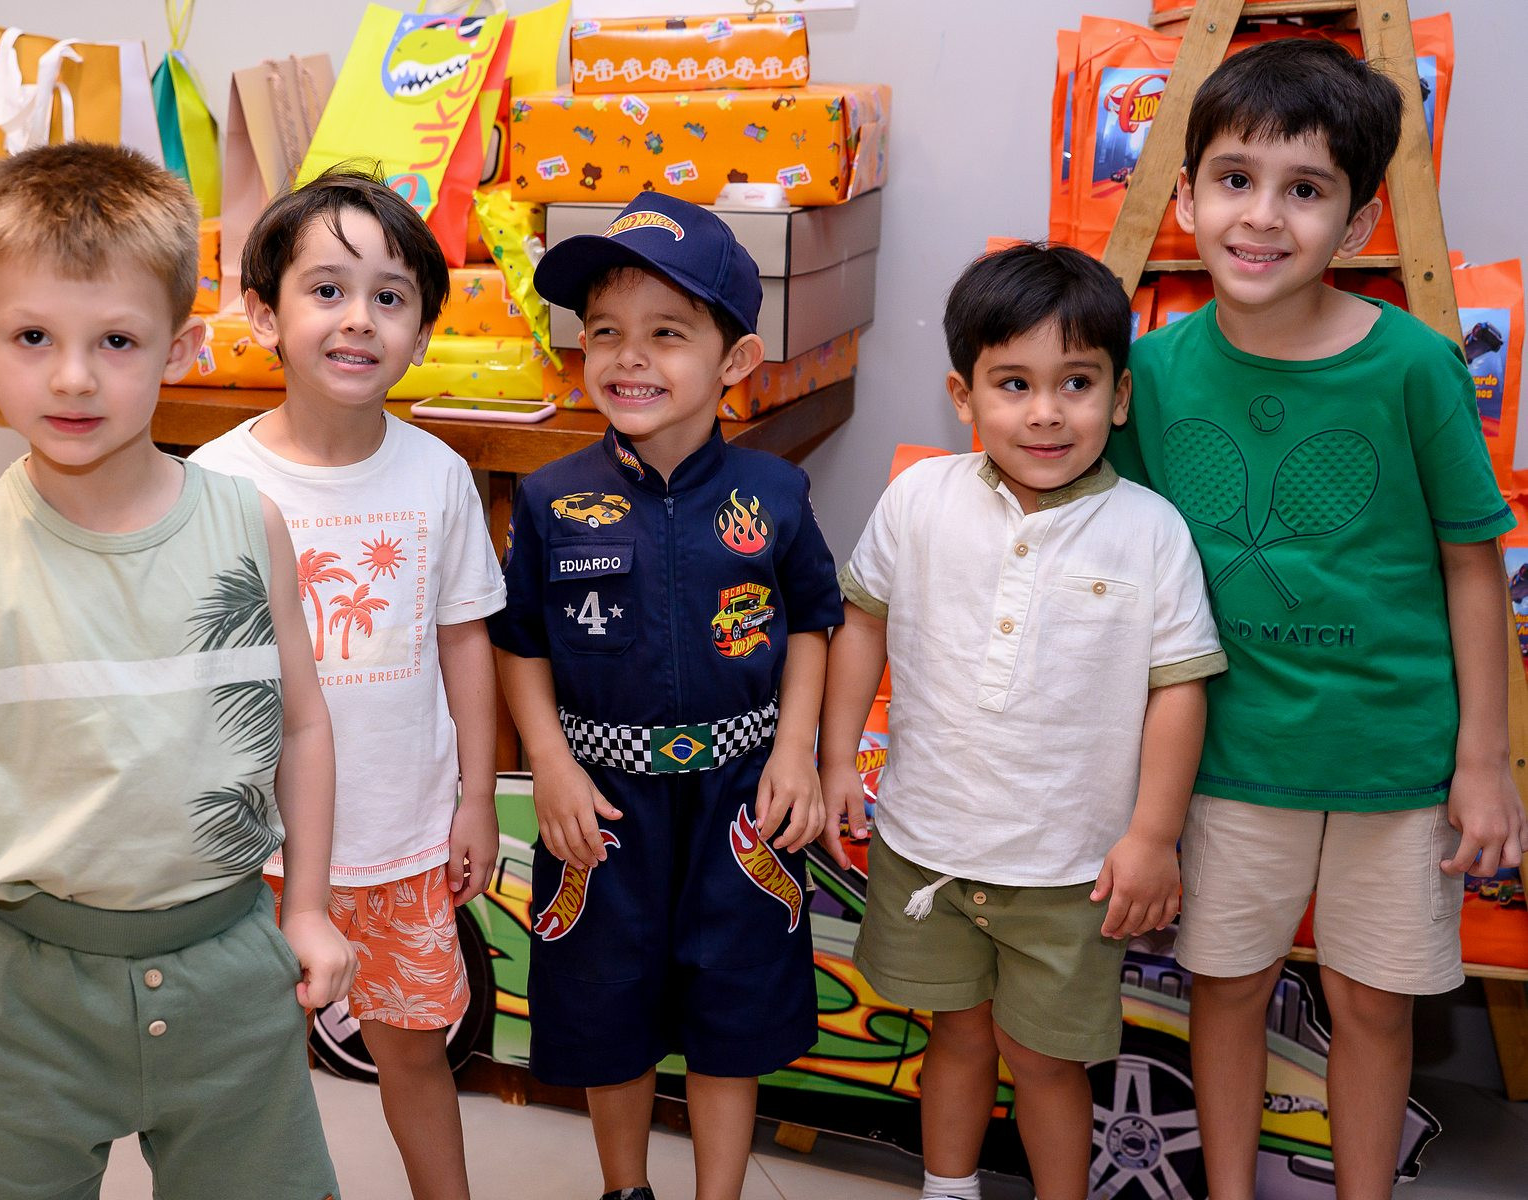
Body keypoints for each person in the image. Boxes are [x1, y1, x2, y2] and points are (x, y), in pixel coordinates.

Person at [0, 142, 353, 1199]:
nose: (74, 376)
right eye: (33, 336)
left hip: (230, 969)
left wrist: (309, 909)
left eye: (117, 341)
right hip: (26, 994)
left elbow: (303, 725)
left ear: (180, 349)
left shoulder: (250, 527)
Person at [1108, 38, 1527, 1200]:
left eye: (1304, 189)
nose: (1261, 216)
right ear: (1184, 197)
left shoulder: (1416, 366)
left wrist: (1482, 764)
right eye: (1234, 179)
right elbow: (1121, 570)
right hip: (1231, 756)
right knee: (1228, 988)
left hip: (1396, 761)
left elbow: (1472, 567)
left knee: (1371, 1003)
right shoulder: (1149, 372)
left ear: (1356, 224)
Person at [820, 243, 1226, 1200]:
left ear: (1119, 398)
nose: (1046, 412)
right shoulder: (919, 498)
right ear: (963, 396)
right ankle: (948, 1187)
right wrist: (836, 759)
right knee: (956, 1035)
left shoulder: (1150, 530)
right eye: (1014, 384)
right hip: (928, 844)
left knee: (1045, 1061)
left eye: (1076, 383)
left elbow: (1179, 689)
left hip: (1069, 870)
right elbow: (862, 622)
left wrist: (1152, 837)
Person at [488, 191, 843, 1200]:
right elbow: (520, 642)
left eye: (667, 333)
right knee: (609, 1012)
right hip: (602, 810)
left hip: (741, 802)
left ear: (736, 360)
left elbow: (814, 621)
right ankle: (624, 1189)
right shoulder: (550, 498)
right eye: (604, 331)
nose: (627, 357)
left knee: (733, 1014)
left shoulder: (775, 493)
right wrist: (550, 765)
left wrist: (796, 752)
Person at [188, 165, 505, 1200]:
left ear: (422, 330)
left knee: (413, 1054)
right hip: (257, 856)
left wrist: (475, 800)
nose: (358, 318)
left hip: (403, 840)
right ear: (263, 315)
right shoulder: (214, 483)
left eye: (389, 296)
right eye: (326, 289)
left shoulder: (437, 474)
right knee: (249, 1070)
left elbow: (465, 642)